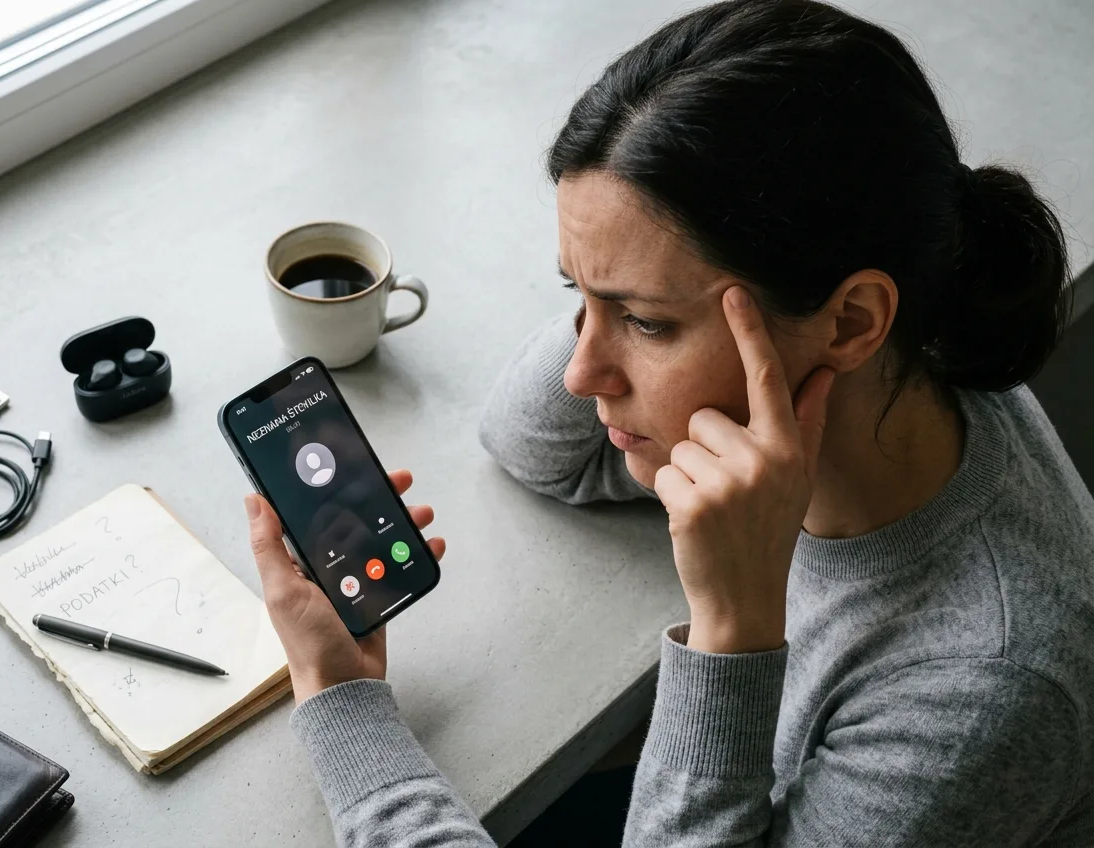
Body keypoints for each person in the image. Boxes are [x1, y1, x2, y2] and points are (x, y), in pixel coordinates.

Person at [244, 0, 1094, 844]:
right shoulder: (885, 379)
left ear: (848, 323)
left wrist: (731, 634)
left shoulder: (979, 695)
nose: (580, 372)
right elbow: (536, 448)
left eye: (647, 323)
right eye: (576, 298)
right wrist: (616, 264)